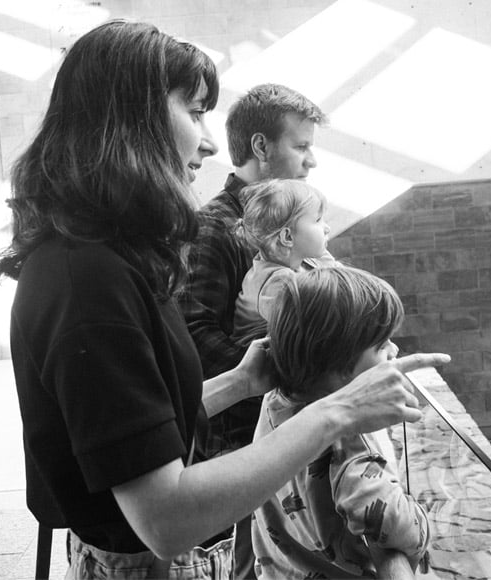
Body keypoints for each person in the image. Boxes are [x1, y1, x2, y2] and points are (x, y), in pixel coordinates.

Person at [0, 19, 449, 580]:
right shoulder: (87, 283)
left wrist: (240, 382)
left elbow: (134, 434)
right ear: (130, 121)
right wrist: (339, 410)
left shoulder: (103, 259)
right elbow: (166, 518)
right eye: (195, 112)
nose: (208, 142)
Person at [179, 84, 328, 580]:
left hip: (283, 424)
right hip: (240, 439)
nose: (311, 161)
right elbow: (196, 334)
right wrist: (283, 374)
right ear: (262, 148)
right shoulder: (213, 227)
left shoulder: (294, 217)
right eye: (300, 146)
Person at [251, 266, 430, 579]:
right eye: (382, 344)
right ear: (341, 369)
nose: (395, 349)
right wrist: (423, 522)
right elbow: (392, 521)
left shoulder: (278, 400)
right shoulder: (348, 439)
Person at [231, 178, 335, 346]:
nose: (327, 228)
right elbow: (311, 326)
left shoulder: (308, 258)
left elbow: (345, 282)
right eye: (318, 220)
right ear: (287, 237)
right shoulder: (274, 283)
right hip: (264, 363)